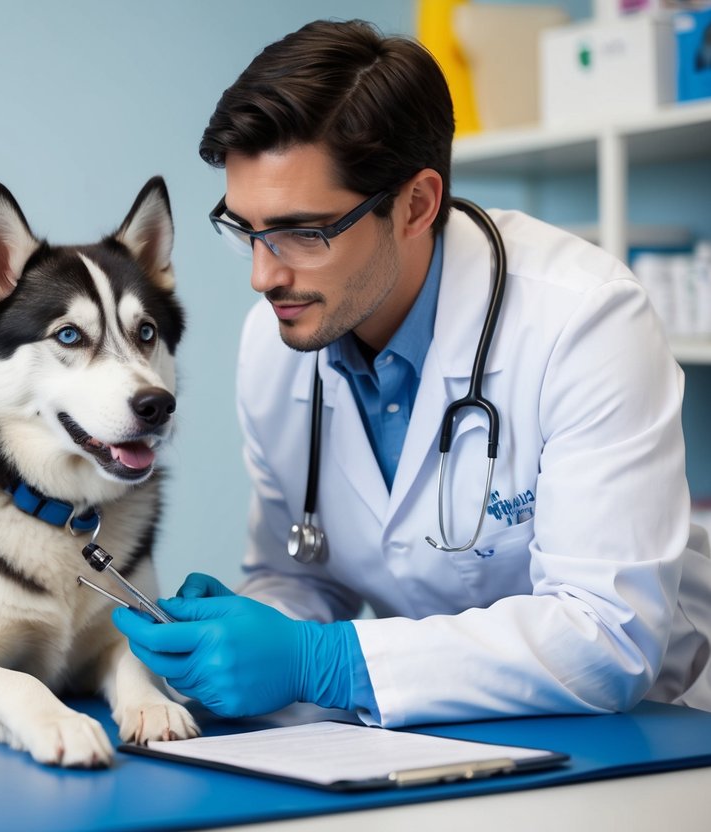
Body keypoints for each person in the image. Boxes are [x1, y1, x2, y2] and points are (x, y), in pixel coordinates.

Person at [113, 19, 711, 727]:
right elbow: (303, 576)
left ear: (416, 204)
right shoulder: (276, 345)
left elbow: (606, 639)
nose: (261, 274)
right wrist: (253, 627)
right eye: (245, 229)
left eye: (303, 232)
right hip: (429, 739)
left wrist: (320, 660)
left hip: (644, 733)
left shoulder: (583, 322)